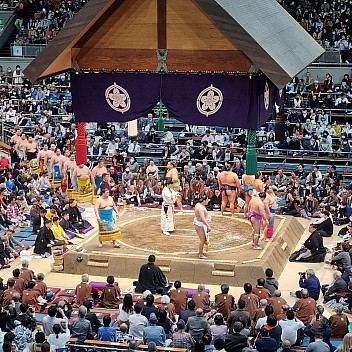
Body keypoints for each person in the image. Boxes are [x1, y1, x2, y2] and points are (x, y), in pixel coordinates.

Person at [194, 194, 211, 259]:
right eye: (207, 200)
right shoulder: (200, 208)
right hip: (200, 225)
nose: (208, 201)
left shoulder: (198, 204)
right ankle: (200, 254)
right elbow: (203, 218)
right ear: (203, 200)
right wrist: (208, 226)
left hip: (199, 223)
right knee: (202, 240)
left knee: (203, 239)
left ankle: (200, 252)